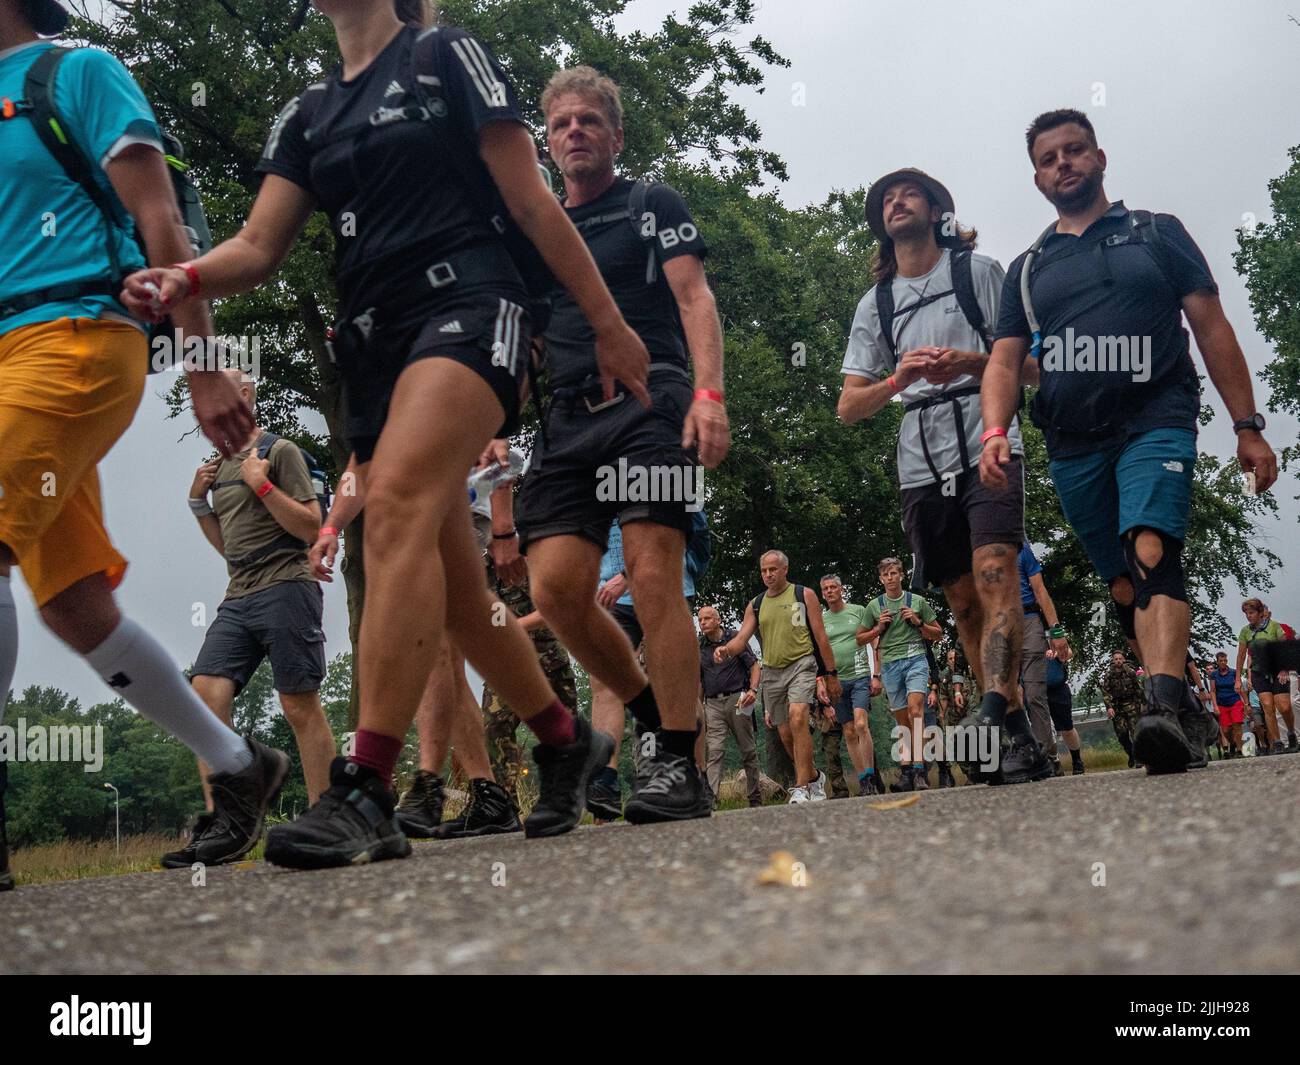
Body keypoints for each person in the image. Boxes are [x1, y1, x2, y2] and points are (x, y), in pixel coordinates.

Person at [126, 0, 656, 865]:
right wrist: (181, 274)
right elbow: (258, 246)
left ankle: (365, 785)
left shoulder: (446, 56)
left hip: (473, 305)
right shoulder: (306, 113)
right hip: (374, 341)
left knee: (398, 506)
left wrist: (604, 319)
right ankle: (563, 738)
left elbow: (530, 203)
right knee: (452, 584)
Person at [0, 0, 290, 889]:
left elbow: (161, 225)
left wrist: (204, 367)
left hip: (77, 340)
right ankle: (241, 765)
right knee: (74, 604)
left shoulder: (76, 73)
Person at [980, 108, 1277, 775]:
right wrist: (995, 430)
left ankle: (1163, 708)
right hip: (1072, 440)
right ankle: (1185, 706)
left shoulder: (1157, 234)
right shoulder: (1028, 269)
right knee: (1121, 586)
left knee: (1151, 550)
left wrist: (1247, 425)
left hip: (1156, 416)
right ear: (1036, 177)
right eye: (1050, 157)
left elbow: (1212, 328)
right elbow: (1003, 360)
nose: (1064, 163)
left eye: (1075, 150)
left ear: (1100, 157)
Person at [512, 65, 730, 824]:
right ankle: (648, 720)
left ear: (615, 135)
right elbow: (525, 343)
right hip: (566, 421)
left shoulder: (651, 203)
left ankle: (678, 763)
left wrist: (710, 396)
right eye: (563, 122)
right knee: (556, 591)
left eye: (589, 121)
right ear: (546, 141)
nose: (575, 132)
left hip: (653, 403)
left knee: (649, 574)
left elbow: (695, 297)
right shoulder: (535, 227)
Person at [837, 167, 1048, 784]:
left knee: (995, 574)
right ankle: (1012, 736)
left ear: (936, 210)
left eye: (910, 194)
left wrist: (973, 362)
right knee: (961, 600)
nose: (896, 202)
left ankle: (988, 721)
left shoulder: (977, 273)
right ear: (880, 221)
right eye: (886, 199)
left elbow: (1034, 366)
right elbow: (849, 407)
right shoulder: (874, 304)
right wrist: (897, 381)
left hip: (987, 443)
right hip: (918, 461)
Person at [164, 371, 337, 867]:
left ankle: (324, 817)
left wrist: (261, 486)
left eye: (223, 391)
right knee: (204, 696)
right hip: (238, 594)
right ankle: (228, 821)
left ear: (244, 397)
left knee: (298, 703)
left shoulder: (280, 452)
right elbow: (230, 550)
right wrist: (199, 504)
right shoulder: (216, 469)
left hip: (288, 586)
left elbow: (310, 525)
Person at [311, 451, 522, 841]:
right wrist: (331, 528)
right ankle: (491, 793)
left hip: (455, 508)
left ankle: (426, 788)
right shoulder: (374, 401)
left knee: (433, 640)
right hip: (403, 518)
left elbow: (498, 441)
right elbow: (360, 463)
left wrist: (504, 524)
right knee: (447, 660)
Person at [583, 514, 708, 819]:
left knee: (677, 688)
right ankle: (605, 781)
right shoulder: (592, 471)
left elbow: (695, 526)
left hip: (665, 586)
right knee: (605, 681)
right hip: (608, 594)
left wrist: (686, 570)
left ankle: (694, 776)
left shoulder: (663, 468)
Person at [715, 551, 841, 803]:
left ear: (785, 569)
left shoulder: (804, 595)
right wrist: (727, 649)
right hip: (772, 672)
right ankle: (815, 776)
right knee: (785, 734)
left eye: (773, 569)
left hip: (802, 664)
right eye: (764, 570)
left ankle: (802, 786)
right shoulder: (756, 604)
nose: (768, 574)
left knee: (798, 717)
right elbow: (742, 638)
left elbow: (821, 637)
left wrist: (831, 674)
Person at [861, 558, 942, 792]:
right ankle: (907, 772)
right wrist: (877, 628)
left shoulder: (917, 601)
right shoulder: (874, 606)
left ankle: (919, 771)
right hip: (890, 664)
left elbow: (938, 634)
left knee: (916, 711)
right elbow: (860, 638)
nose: (890, 578)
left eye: (894, 573)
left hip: (916, 659)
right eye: (886, 574)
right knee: (902, 719)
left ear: (902, 575)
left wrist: (918, 623)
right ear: (881, 579)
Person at [817, 575, 882, 795]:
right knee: (849, 730)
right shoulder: (821, 619)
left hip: (861, 676)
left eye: (833, 587)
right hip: (835, 682)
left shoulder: (858, 610)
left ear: (841, 589)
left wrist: (876, 674)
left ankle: (871, 776)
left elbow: (875, 641)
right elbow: (817, 654)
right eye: (825, 589)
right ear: (822, 593)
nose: (829, 591)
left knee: (861, 724)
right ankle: (864, 779)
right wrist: (821, 683)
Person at [697, 605, 762, 807]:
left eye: (707, 618)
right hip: (712, 703)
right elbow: (699, 680)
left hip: (738, 699)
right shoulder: (699, 646)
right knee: (714, 750)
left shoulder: (735, 639)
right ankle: (711, 798)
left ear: (718, 620)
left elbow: (754, 666)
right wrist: (698, 707)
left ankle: (754, 796)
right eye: (700, 620)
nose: (703, 622)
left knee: (748, 750)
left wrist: (753, 690)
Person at [1016, 542, 1072, 774]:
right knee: (1008, 696)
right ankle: (1021, 753)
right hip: (998, 625)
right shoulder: (980, 551)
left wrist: (1056, 631)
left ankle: (1047, 756)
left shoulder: (1023, 551)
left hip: (1029, 621)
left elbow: (1040, 590)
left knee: (1035, 694)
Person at [1235, 598, 1297, 754]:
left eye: (1252, 612)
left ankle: (1291, 734)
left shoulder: (1274, 626)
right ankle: (1277, 743)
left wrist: (1284, 670)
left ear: (1261, 613)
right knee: (1268, 706)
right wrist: (1237, 679)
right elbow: (1241, 656)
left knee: (1284, 706)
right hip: (1259, 672)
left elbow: (1285, 649)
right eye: (1246, 613)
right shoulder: (1245, 632)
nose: (1249, 616)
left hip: (1277, 671)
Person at [1100, 651, 1144, 768]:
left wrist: (1142, 704)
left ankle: (1139, 758)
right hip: (1117, 707)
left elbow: (1138, 689)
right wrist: (1109, 707)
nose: (1118, 661)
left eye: (1120, 658)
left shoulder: (1130, 672)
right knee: (1122, 734)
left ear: (1123, 660)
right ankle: (1131, 754)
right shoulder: (1109, 675)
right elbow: (1105, 693)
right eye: (1116, 659)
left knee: (1135, 732)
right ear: (1113, 661)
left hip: (1131, 705)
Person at [1044, 648, 1084, 774]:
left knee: (1066, 729)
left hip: (1057, 688)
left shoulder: (1052, 634)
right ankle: (1053, 763)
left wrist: (1058, 652)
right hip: (1034, 689)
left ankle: (1077, 760)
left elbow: (1069, 653)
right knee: (1042, 730)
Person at [1209, 651, 1245, 757]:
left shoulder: (1233, 672)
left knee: (1237, 725)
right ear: (1217, 662)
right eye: (1221, 661)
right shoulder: (1214, 674)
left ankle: (1239, 750)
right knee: (1225, 730)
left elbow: (1241, 688)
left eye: (1225, 660)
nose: (1223, 662)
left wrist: (1246, 703)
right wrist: (1215, 706)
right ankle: (1232, 743)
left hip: (1235, 701)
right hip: (1222, 703)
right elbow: (1213, 691)